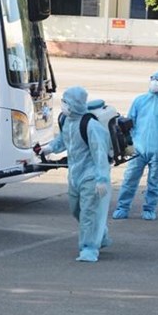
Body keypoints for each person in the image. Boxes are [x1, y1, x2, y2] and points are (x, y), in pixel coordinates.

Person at [37, 86, 112, 262]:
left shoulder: (91, 125)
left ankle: (89, 248)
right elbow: (63, 140)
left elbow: (100, 153)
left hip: (91, 175)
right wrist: (49, 148)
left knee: (87, 213)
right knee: (76, 209)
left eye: (66, 101)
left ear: (76, 104)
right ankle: (101, 235)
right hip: (74, 175)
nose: (63, 105)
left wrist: (102, 179)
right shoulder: (66, 120)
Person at [112, 71, 158, 221]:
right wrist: (128, 144)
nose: (155, 82)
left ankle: (150, 208)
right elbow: (128, 123)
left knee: (154, 182)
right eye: (153, 79)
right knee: (130, 179)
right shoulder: (139, 101)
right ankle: (123, 207)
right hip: (138, 149)